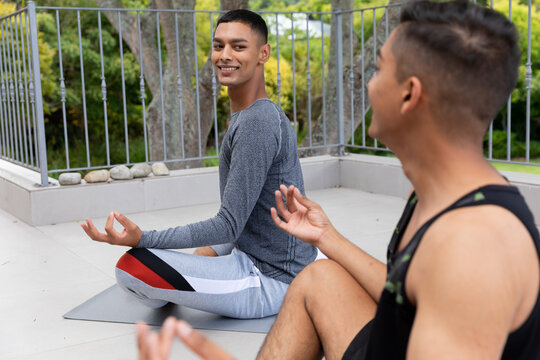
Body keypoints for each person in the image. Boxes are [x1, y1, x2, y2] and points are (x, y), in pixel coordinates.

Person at [137, 1, 540, 359]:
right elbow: (408, 290)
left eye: (380, 68)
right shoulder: (438, 192)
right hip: (391, 340)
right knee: (320, 276)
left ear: (408, 95)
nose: (368, 83)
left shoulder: (476, 245)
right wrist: (328, 239)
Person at [81, 9, 320, 319]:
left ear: (263, 53)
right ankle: (182, 283)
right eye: (218, 45)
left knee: (132, 267)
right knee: (191, 255)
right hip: (254, 249)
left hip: (272, 279)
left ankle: (170, 288)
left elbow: (228, 224)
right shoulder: (250, 115)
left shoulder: (257, 121)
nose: (225, 55)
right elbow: (239, 222)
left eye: (238, 46)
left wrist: (143, 239)